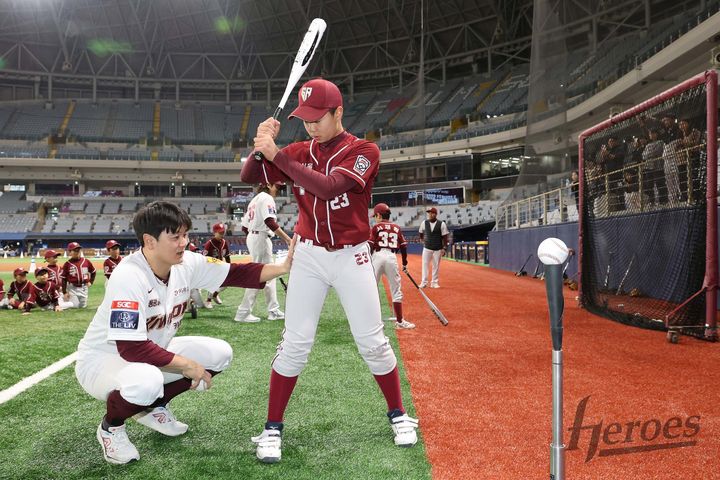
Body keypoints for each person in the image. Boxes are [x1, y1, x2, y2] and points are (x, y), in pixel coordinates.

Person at [242, 77, 419, 463]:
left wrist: (277, 155)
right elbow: (249, 177)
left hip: (351, 254)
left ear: (339, 113)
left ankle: (399, 414)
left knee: (372, 340)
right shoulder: (298, 149)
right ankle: (272, 428)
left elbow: (327, 187)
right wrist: (259, 148)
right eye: (304, 118)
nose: (309, 126)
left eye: (317, 118)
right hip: (307, 254)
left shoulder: (364, 150)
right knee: (294, 344)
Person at [74, 201, 295, 465]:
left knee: (219, 354)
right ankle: (111, 427)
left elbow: (235, 274)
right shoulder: (128, 275)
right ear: (150, 241)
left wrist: (284, 266)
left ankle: (152, 408)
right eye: (175, 236)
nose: (183, 243)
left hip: (152, 353)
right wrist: (187, 365)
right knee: (147, 381)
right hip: (105, 360)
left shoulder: (186, 262)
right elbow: (130, 347)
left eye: (185, 235)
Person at [234, 182, 292, 323]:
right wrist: (288, 239)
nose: (278, 190)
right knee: (259, 275)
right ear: (268, 184)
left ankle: (273, 310)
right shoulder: (266, 197)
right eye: (277, 187)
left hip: (254, 237)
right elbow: (270, 222)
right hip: (260, 237)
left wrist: (255, 235)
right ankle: (243, 312)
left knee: (268, 275)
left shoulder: (255, 199)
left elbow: (244, 227)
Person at [369, 203, 414, 329]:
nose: (375, 218)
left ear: (378, 215)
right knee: (396, 290)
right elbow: (404, 245)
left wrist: (368, 259)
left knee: (371, 289)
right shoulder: (396, 227)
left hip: (377, 256)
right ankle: (400, 322)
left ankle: (373, 323)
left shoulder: (376, 227)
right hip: (391, 256)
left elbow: (370, 244)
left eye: (375, 216)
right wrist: (404, 263)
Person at [418, 207, 449, 288]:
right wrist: (421, 239)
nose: (430, 214)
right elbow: (420, 232)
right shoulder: (424, 223)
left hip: (438, 248)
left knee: (436, 266)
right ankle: (424, 282)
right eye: (429, 213)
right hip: (427, 247)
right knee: (425, 265)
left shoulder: (441, 224)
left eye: (432, 213)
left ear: (435, 214)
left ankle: (434, 282)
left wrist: (444, 248)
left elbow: (445, 237)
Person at [202, 223, 231, 308]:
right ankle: (208, 301)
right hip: (211, 267)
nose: (222, 234)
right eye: (220, 232)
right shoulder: (209, 243)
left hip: (221, 266)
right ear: (214, 232)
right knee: (213, 283)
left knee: (227, 282)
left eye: (223, 232)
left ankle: (215, 294)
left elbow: (227, 255)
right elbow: (205, 258)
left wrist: (229, 266)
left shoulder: (224, 242)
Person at [62, 242, 96, 309]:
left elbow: (93, 272)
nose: (77, 252)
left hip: (84, 287)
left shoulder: (86, 261)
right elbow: (64, 279)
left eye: (78, 250)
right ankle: (60, 305)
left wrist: (91, 282)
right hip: (72, 288)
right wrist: (64, 292)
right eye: (74, 250)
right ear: (70, 252)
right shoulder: (67, 264)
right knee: (74, 305)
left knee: (82, 306)